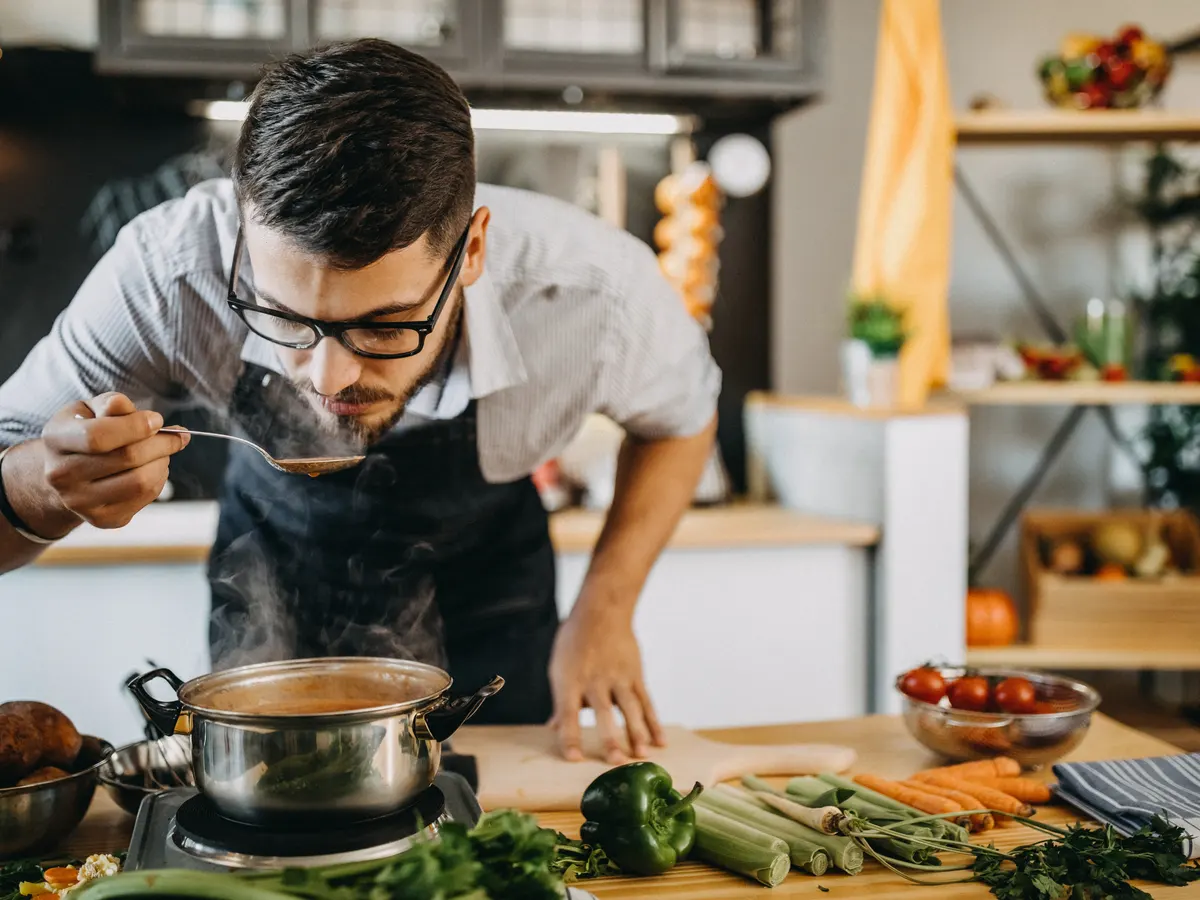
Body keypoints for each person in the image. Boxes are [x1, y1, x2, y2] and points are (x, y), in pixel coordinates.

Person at [0, 39, 720, 763]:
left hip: (492, 598)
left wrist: (609, 602)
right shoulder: (170, 273)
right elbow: (11, 471)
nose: (328, 378)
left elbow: (682, 421)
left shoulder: (594, 294)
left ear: (471, 252)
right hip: (271, 582)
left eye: (384, 325)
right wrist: (40, 488)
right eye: (281, 316)